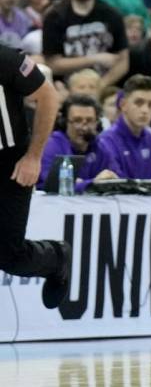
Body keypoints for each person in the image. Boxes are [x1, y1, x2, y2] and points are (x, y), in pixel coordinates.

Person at [0, 44, 70, 309]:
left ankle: (56, 257)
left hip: (10, 160)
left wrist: (33, 157)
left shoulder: (5, 58)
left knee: (10, 255)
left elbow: (48, 97)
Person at [42, 0, 128, 87]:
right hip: (66, 88)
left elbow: (123, 61)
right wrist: (94, 59)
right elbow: (53, 64)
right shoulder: (54, 17)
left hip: (104, 87)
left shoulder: (112, 14)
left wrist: (99, 86)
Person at [37, 93, 119, 192]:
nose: (83, 127)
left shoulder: (101, 146)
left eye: (89, 121)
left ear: (98, 123)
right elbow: (51, 185)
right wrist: (92, 184)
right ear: (64, 122)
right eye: (77, 120)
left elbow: (116, 178)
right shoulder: (52, 145)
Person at [97, 74, 151, 179]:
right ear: (123, 105)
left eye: (150, 104)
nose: (145, 110)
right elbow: (116, 184)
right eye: (139, 103)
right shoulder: (106, 141)